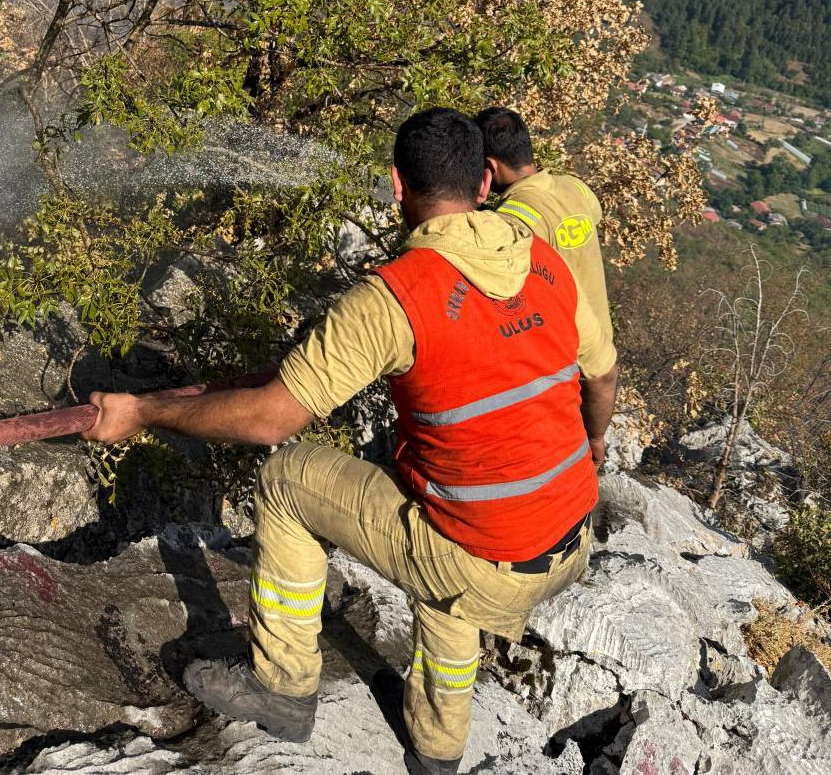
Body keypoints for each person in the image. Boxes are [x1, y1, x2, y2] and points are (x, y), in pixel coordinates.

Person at [83, 108, 618, 774]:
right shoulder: (545, 257)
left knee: (288, 481)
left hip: (483, 558)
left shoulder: (396, 297)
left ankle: (281, 687)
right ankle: (436, 745)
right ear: (485, 182)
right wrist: (593, 444)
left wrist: (141, 412)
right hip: (571, 538)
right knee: (445, 523)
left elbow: (270, 419)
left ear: (398, 186)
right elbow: (601, 372)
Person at [477, 106, 614, 464]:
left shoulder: (514, 220)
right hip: (598, 346)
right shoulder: (576, 189)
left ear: (489, 167)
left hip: (562, 363)